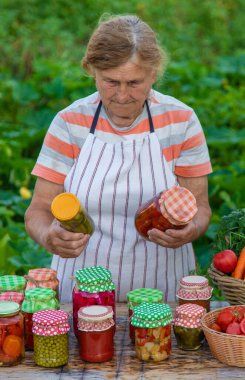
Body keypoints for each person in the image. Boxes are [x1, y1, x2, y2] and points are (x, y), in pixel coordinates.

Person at [25, 15, 212, 302]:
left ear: (154, 73)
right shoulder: (70, 123)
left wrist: (190, 230)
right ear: (92, 71)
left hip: (162, 296)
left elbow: (200, 208)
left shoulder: (180, 121)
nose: (123, 95)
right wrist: (48, 236)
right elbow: (38, 210)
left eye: (134, 82)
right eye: (110, 82)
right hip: (80, 295)